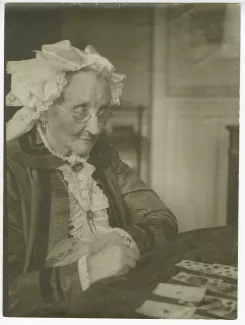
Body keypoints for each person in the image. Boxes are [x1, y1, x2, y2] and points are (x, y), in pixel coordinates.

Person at [6, 40, 178, 317]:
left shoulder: (105, 158)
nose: (95, 128)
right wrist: (88, 270)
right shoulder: (11, 171)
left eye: (102, 111)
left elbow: (162, 219)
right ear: (44, 108)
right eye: (80, 111)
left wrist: (121, 240)